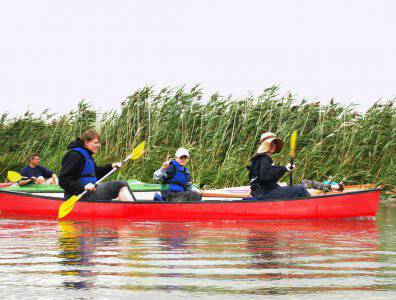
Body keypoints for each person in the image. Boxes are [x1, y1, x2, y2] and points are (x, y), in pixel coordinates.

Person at [59, 130, 135, 202]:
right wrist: (83, 187)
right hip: (78, 195)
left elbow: (96, 173)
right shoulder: (74, 155)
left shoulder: (87, 155)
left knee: (122, 183)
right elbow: (63, 180)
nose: (99, 145)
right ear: (86, 142)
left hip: (89, 192)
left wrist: (111, 166)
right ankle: (133, 209)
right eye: (96, 143)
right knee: (119, 184)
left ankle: (132, 207)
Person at [247, 132, 310, 200]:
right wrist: (284, 168)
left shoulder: (258, 158)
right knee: (300, 189)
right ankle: (313, 207)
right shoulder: (265, 158)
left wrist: (285, 168)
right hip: (263, 194)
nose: (274, 145)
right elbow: (266, 177)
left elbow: (265, 177)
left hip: (260, 193)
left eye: (275, 143)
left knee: (288, 187)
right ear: (265, 145)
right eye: (271, 143)